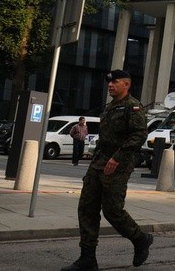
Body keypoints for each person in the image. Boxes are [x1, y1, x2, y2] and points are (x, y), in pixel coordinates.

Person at [61, 70, 153, 271]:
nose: (110, 85)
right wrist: (95, 161)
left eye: (115, 82)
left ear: (126, 84)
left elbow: (139, 135)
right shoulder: (109, 108)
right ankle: (87, 258)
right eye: (109, 82)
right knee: (87, 208)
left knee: (112, 210)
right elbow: (104, 139)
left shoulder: (133, 107)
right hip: (99, 162)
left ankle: (140, 239)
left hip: (119, 164)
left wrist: (117, 157)